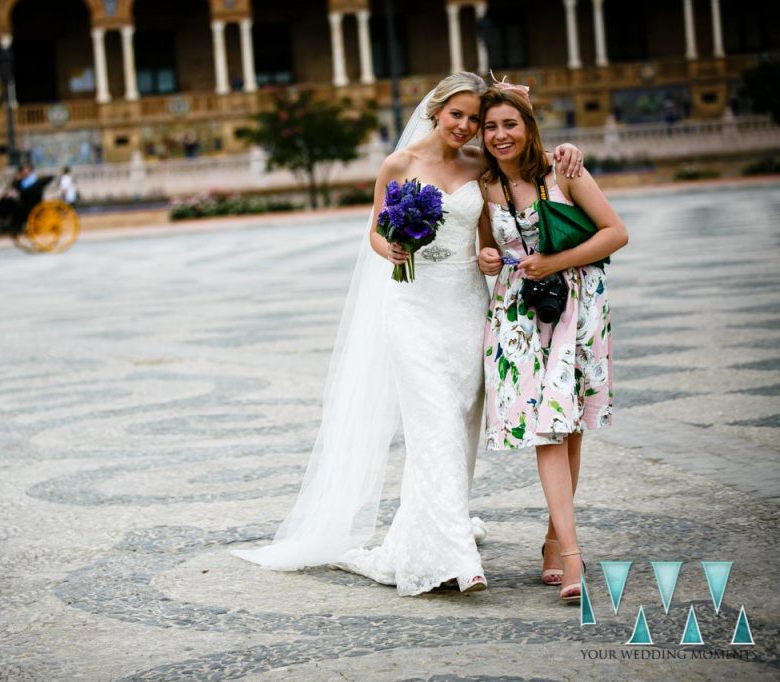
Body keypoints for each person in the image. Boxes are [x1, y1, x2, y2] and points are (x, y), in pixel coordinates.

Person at [231, 72, 584, 596]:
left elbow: (505, 196)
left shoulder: (481, 164)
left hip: (466, 306)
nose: (465, 127)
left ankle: (436, 531)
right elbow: (376, 229)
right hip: (413, 307)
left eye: (473, 118)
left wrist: (490, 254)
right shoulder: (399, 165)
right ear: (436, 111)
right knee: (433, 425)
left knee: (459, 426)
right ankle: (456, 560)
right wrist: (391, 249)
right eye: (457, 115)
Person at [476, 85, 628, 603]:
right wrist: (488, 260)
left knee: (569, 430)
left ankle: (554, 543)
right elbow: (489, 247)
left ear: (528, 125)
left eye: (509, 125)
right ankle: (572, 558)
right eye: (491, 126)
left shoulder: (563, 169)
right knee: (548, 430)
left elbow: (615, 232)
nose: (500, 136)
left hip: (575, 306)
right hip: (518, 316)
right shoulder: (485, 187)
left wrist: (554, 262)